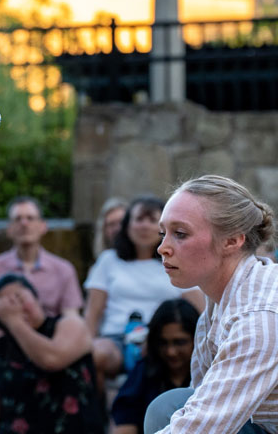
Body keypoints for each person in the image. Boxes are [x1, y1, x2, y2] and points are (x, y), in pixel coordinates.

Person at [143, 175, 278, 434]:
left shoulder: (260, 318)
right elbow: (199, 400)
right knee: (169, 407)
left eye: (180, 234)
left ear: (232, 240)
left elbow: (201, 427)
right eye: (164, 233)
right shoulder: (221, 300)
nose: (162, 248)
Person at [84, 197, 204, 382]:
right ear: (127, 225)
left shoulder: (177, 261)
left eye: (151, 220)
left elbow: (201, 309)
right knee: (93, 356)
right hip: (116, 340)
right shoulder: (108, 260)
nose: (145, 226)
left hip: (163, 341)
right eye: (139, 219)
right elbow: (92, 313)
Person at [0, 273, 105, 434]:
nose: (15, 307)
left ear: (37, 298)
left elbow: (51, 359)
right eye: (7, 305)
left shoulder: (71, 325)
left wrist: (14, 320)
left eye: (20, 298)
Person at [0, 196, 84, 317]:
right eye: (17, 219)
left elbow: (72, 318)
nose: (24, 223)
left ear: (43, 226)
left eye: (30, 218)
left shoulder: (63, 270)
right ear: (9, 229)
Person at [112, 299, 199, 434]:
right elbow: (125, 422)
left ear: (197, 338)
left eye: (179, 342)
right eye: (163, 343)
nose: (171, 352)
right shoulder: (144, 372)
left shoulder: (211, 373)